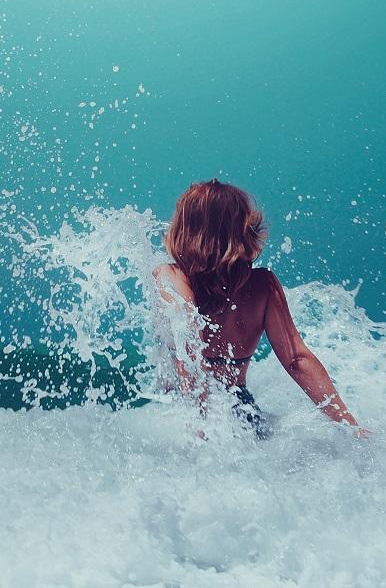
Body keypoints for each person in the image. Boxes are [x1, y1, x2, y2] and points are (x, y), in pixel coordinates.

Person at [153, 179, 363, 438]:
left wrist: (199, 431)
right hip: (241, 411)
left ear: (185, 231)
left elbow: (189, 348)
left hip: (181, 412)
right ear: (244, 232)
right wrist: (351, 426)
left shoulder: (169, 277)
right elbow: (297, 359)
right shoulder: (263, 286)